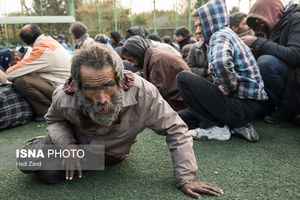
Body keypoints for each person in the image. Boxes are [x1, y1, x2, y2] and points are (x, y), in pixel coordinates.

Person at [18, 43, 223, 199]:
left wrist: (186, 178)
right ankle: (44, 143)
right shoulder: (64, 96)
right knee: (24, 161)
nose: (101, 98)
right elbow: (54, 120)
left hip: (110, 156)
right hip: (78, 147)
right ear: (78, 86)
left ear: (119, 80)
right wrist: (68, 145)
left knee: (49, 174)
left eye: (107, 85)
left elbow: (176, 129)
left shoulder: (144, 93)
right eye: (91, 88)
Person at [176, 0, 268, 142]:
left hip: (239, 107)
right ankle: (236, 126)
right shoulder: (225, 33)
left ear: (211, 22)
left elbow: (220, 62)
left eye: (200, 25)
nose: (197, 31)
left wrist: (227, 87)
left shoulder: (219, 36)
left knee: (183, 78)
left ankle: (215, 128)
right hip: (247, 108)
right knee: (182, 117)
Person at [242, 0, 300, 124]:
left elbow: (295, 55)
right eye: (254, 19)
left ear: (273, 13)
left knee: (266, 63)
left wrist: (257, 43)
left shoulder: (296, 19)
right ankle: (270, 105)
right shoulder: (269, 28)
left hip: (296, 79)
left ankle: (289, 110)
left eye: (260, 17)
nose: (257, 22)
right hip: (289, 78)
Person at [5, 24, 72, 121]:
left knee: (21, 80)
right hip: (69, 89)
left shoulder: (41, 49)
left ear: (27, 42)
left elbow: (10, 74)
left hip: (65, 94)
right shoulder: (49, 41)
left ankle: (49, 112)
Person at [122, 36, 190, 111]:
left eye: (132, 60)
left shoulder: (156, 61)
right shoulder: (153, 57)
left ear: (138, 54)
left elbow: (156, 95)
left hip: (179, 103)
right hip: (178, 100)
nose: (132, 64)